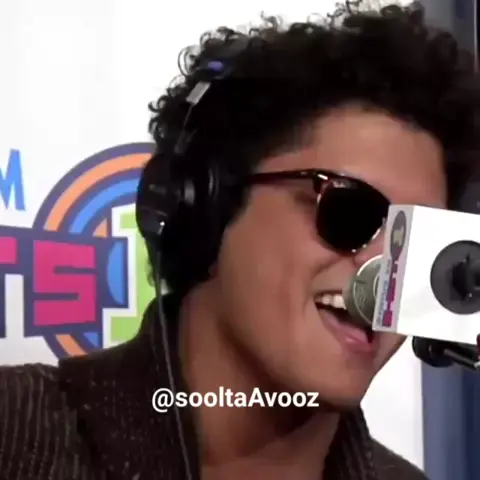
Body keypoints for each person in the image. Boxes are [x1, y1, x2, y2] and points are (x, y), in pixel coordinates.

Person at [1, 1, 480, 479]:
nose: (384, 269)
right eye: (351, 210)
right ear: (209, 204)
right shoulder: (15, 432)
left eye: (413, 245)